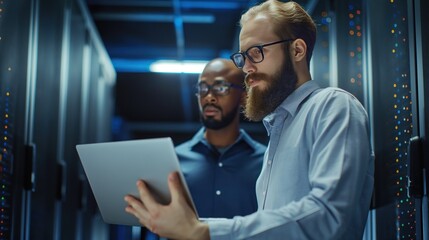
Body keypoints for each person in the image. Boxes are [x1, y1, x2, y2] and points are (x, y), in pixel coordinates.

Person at [124, 1, 374, 239]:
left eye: (256, 52)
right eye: (243, 57)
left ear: (297, 50)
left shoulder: (333, 106)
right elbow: (273, 225)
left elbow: (328, 215)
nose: (246, 69)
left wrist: (202, 232)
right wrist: (188, 225)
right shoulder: (279, 130)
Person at [176, 58, 266, 219]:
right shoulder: (174, 160)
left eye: (221, 87)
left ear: (244, 97)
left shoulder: (266, 162)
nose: (209, 97)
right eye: (203, 88)